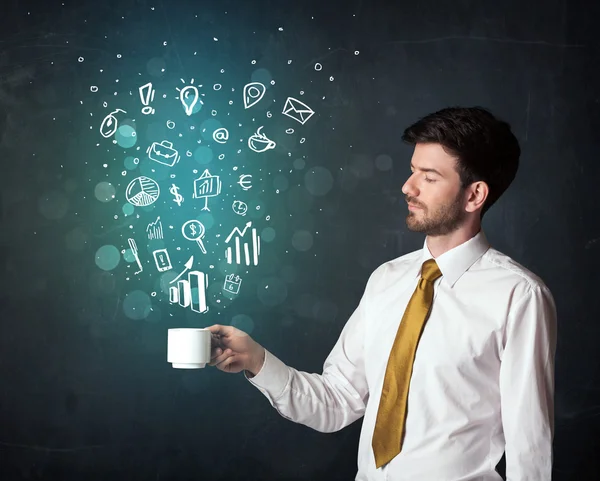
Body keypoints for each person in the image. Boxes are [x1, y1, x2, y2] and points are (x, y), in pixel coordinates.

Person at [206, 106, 558, 481]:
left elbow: (529, 448)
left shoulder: (518, 296)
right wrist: (256, 359)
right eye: (412, 171)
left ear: (474, 196)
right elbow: (336, 401)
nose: (408, 187)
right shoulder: (386, 280)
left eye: (430, 177)